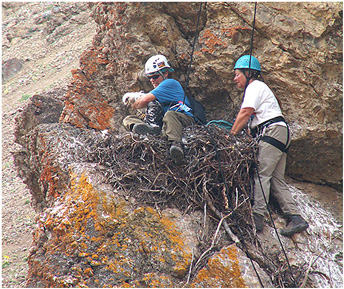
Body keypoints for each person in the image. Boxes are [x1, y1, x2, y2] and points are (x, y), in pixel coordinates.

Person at [230, 55, 309, 237]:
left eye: (237, 74)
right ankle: (295, 217)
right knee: (276, 179)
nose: (235, 78)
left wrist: (231, 134)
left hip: (272, 131)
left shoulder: (254, 86)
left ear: (248, 73)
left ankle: (257, 217)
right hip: (281, 133)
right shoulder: (261, 89)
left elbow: (245, 112)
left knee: (261, 174)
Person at [123, 54, 197, 164]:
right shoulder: (159, 92)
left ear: (165, 73)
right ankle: (149, 130)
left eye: (155, 76)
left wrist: (134, 100)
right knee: (128, 119)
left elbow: (143, 101)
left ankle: (176, 145)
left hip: (184, 119)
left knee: (170, 115)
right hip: (168, 125)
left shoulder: (170, 83)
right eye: (150, 77)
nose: (152, 80)